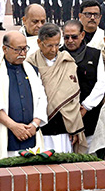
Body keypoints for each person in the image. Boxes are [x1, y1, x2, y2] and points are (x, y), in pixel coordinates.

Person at [0, 31, 47, 160]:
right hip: (4, 136)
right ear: (4, 49)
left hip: (31, 135)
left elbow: (42, 99)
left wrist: (34, 125)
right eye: (18, 50)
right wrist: (14, 126)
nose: (23, 53)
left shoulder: (33, 71)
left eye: (25, 49)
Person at [26, 24, 87, 153]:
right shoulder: (30, 64)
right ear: (39, 42)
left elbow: (73, 98)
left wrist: (74, 127)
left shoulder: (67, 61)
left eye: (57, 45)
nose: (54, 50)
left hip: (64, 126)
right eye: (49, 45)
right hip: (41, 125)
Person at [61, 21, 105, 144]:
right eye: (66, 37)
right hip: (63, 116)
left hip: (89, 115)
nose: (70, 40)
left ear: (82, 35)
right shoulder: (58, 54)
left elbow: (101, 83)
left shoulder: (95, 54)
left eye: (74, 37)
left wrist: (86, 106)